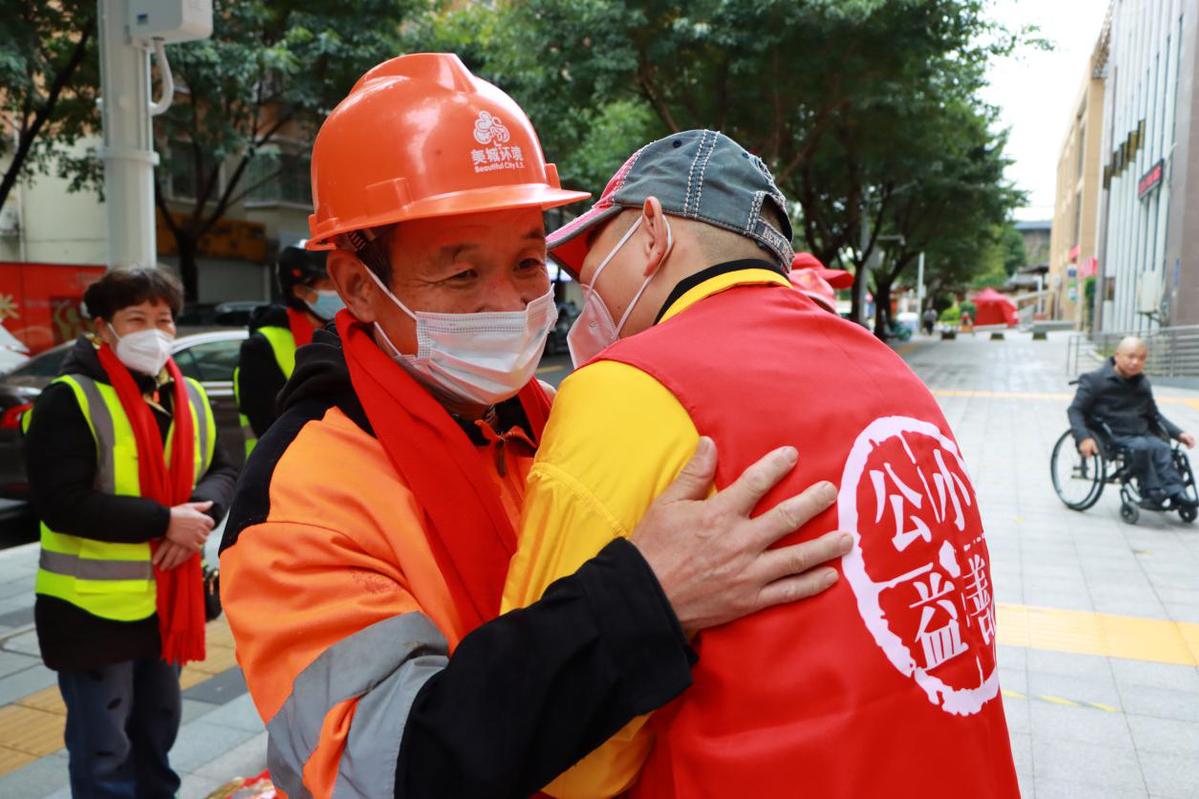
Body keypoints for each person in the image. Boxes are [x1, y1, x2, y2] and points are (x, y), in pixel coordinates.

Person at [218, 53, 851, 799]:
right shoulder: (301, 494)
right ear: (359, 287)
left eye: (525, 263)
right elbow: (392, 762)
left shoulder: (543, 418)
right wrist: (644, 600)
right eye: (461, 274)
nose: (509, 302)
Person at [502, 130, 1019, 798]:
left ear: (651, 233)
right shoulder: (895, 378)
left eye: (591, 255)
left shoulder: (627, 386)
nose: (585, 286)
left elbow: (569, 755)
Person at [23, 267, 238, 798]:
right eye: (136, 318)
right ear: (103, 327)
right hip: (92, 611)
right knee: (104, 752)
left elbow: (226, 468)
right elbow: (61, 503)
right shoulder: (69, 397)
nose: (154, 331)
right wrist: (165, 521)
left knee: (156, 737)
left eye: (163, 318)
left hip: (166, 601)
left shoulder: (184, 395)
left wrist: (194, 518)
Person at [234, 241, 341, 453]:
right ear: (301, 291)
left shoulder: (349, 332)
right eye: (330, 285)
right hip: (276, 475)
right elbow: (268, 425)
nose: (340, 293)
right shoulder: (260, 348)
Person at [1069, 336, 1197, 507]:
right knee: (1142, 447)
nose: (1136, 362)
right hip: (1111, 434)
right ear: (1117, 356)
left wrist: (1179, 433)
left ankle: (1177, 492)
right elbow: (1075, 410)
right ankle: (1152, 491)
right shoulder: (1095, 380)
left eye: (1141, 358)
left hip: (1141, 433)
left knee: (1162, 447)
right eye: (1131, 356)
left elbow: (1154, 416)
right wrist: (1083, 437)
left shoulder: (1142, 383)